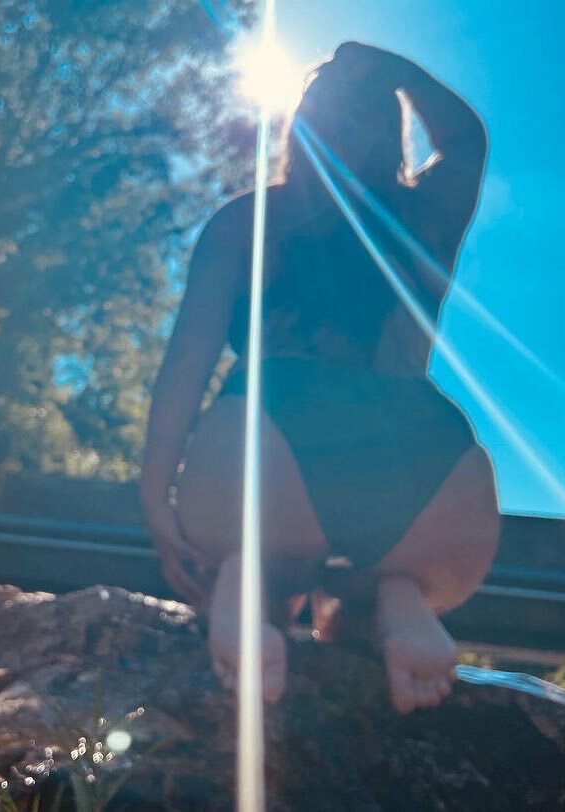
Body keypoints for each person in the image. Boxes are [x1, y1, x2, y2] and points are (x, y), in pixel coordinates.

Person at [139, 42, 500, 714]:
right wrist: (398, 72)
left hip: (268, 439)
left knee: (262, 549)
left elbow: (186, 365)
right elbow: (465, 141)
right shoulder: (423, 220)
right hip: (432, 466)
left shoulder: (245, 221)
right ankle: (395, 598)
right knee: (381, 574)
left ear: (299, 129)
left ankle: (250, 588)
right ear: (389, 133)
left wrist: (157, 497)